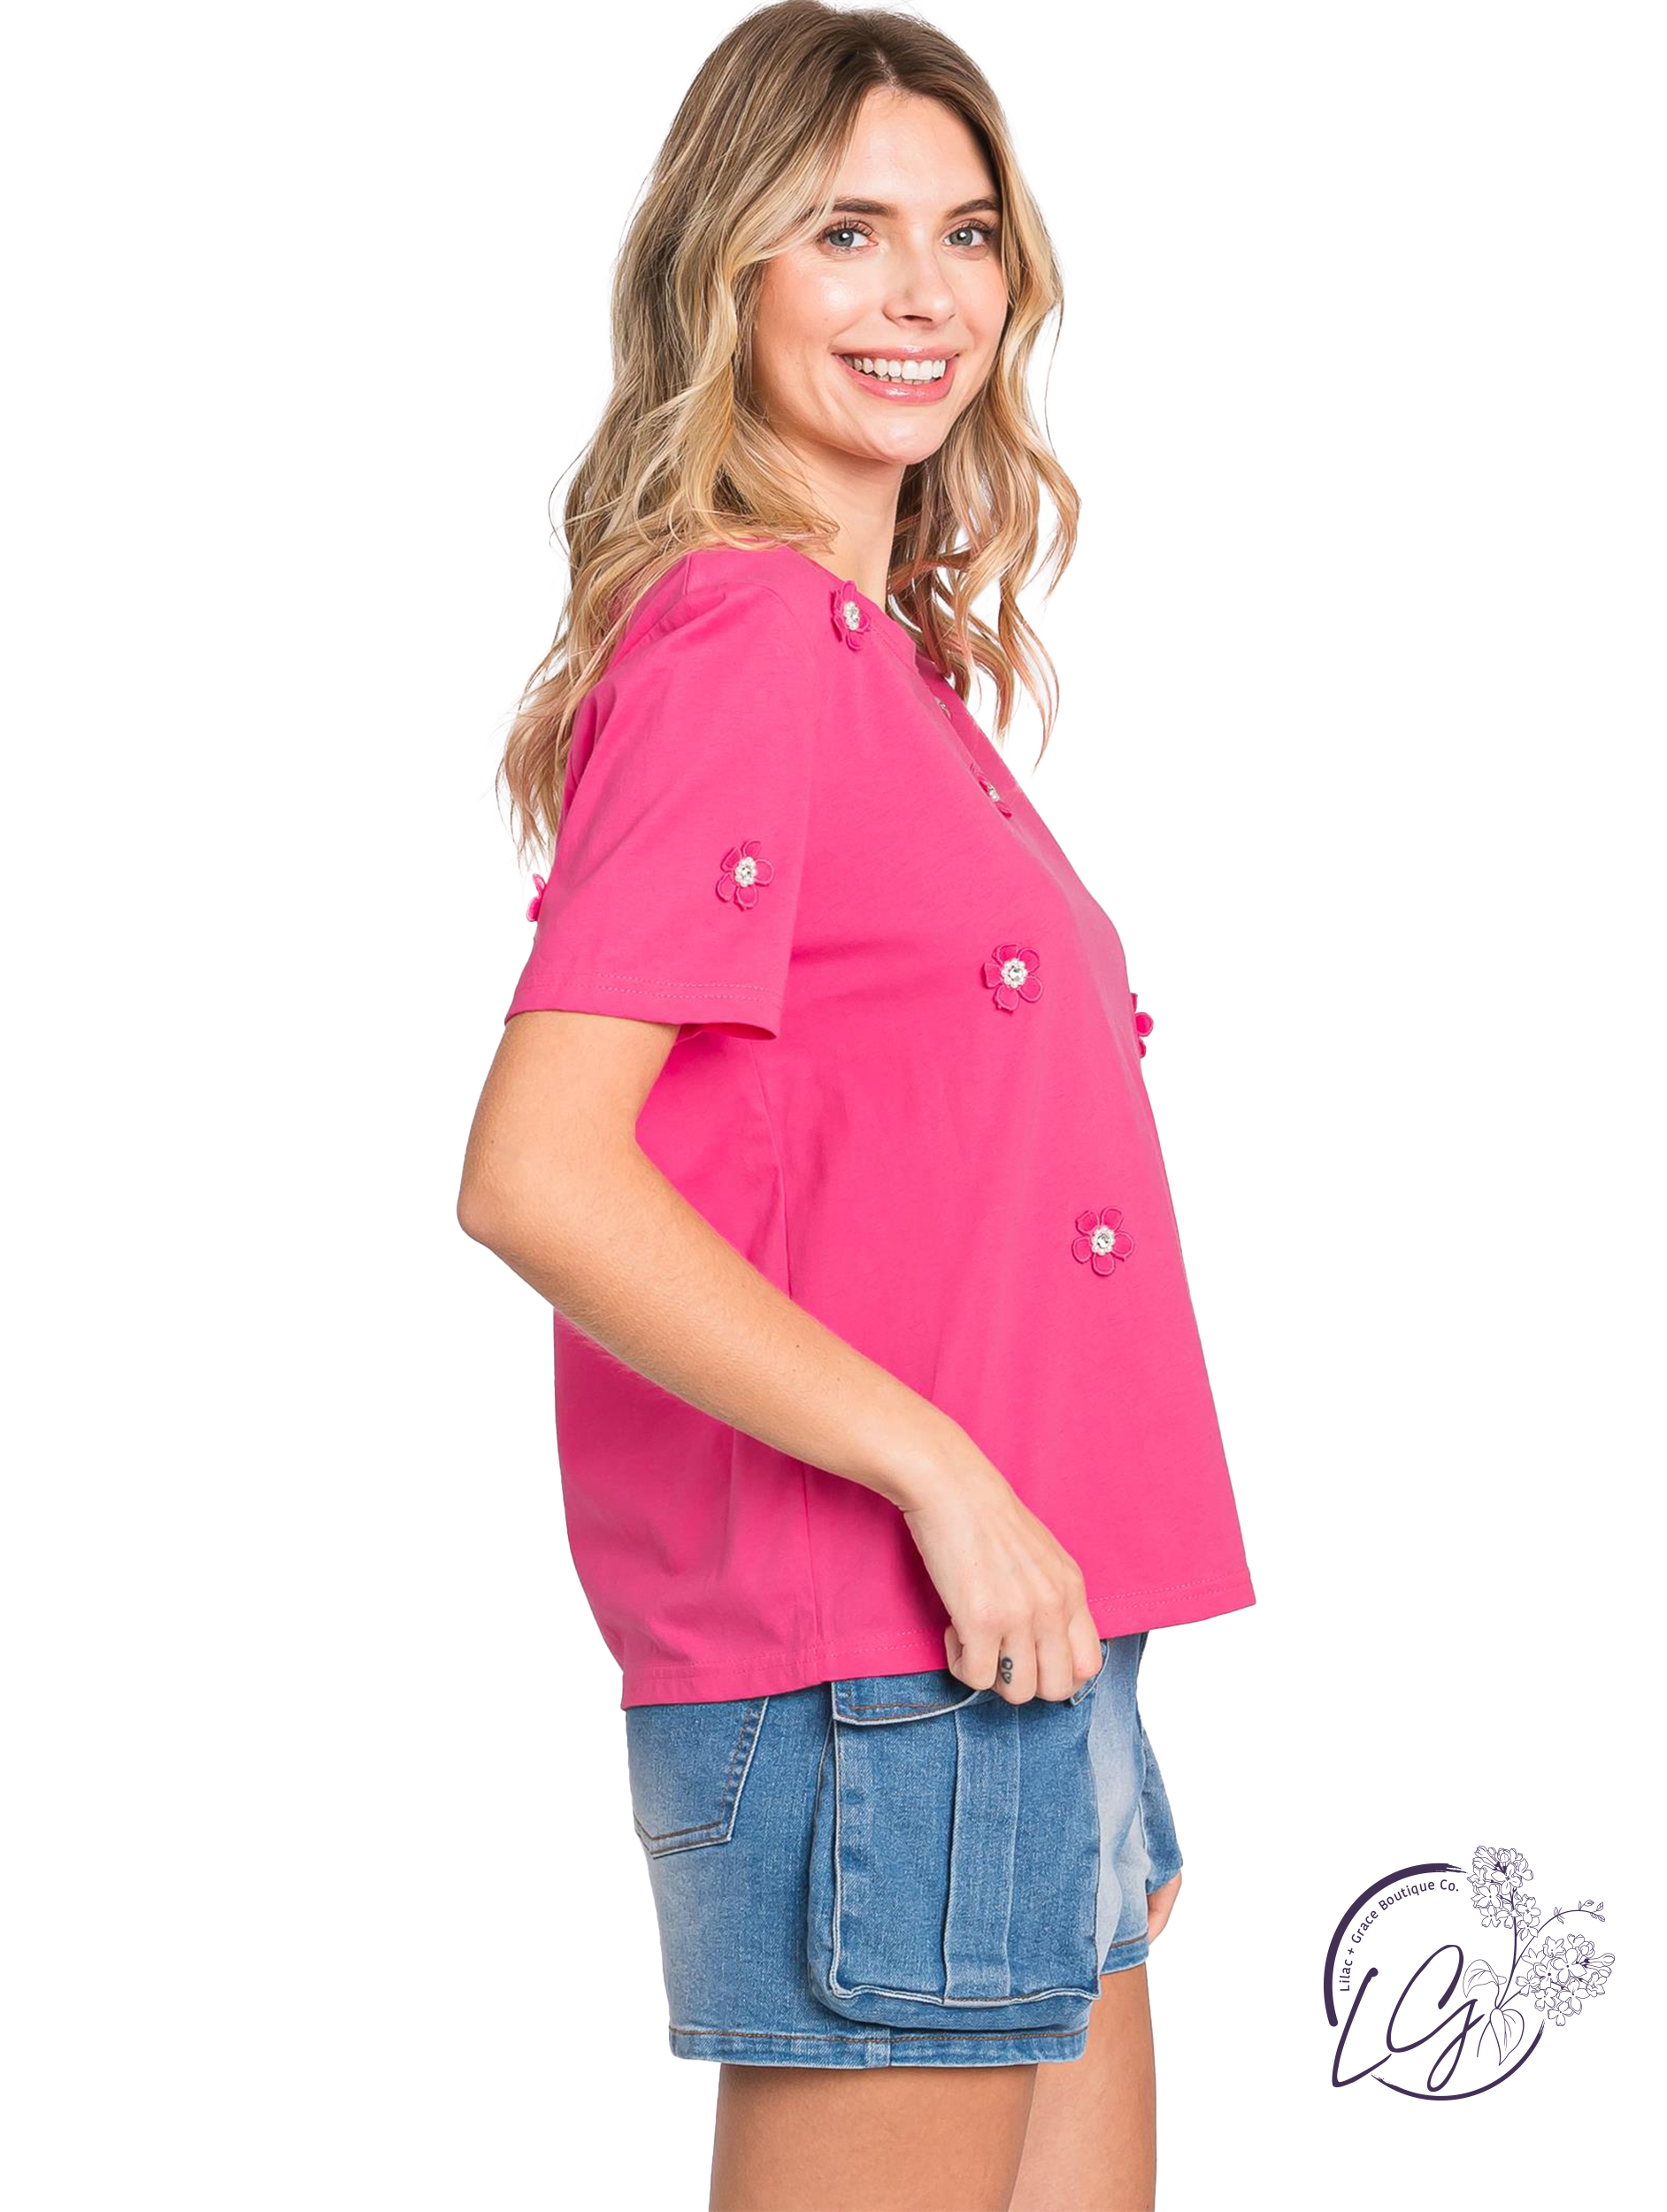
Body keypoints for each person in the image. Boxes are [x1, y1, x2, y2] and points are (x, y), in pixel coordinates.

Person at [457, 7, 1256, 2206]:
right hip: (880, 1654)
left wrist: (1083, 1664)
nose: (924, 293)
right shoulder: (739, 642)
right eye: (846, 231)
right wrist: (944, 1472)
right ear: (726, 269)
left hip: (1017, 1651)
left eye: (967, 234)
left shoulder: (876, 666)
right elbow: (537, 1172)